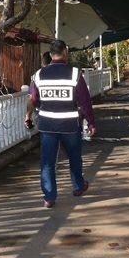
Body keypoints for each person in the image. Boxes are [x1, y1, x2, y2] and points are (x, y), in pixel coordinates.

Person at [29, 40, 96, 208]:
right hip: (70, 125)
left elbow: (34, 100)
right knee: (74, 157)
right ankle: (78, 186)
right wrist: (91, 122)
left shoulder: (38, 75)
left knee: (47, 161)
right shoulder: (74, 74)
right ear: (65, 52)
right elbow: (85, 101)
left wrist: (39, 111)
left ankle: (49, 197)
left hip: (47, 125)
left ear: (50, 54)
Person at [25, 51, 52, 128]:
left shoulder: (37, 76)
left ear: (42, 63)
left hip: (43, 114)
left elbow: (31, 98)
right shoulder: (64, 74)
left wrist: (28, 117)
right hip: (63, 115)